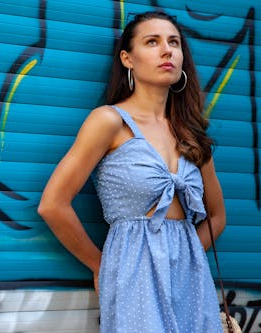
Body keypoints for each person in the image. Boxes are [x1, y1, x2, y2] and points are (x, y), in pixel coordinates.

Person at [38, 11, 226, 333]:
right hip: (131, 276)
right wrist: (102, 266)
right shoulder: (109, 122)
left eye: (174, 42)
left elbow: (217, 217)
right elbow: (52, 205)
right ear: (127, 58)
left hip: (192, 280)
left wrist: (184, 256)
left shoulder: (191, 132)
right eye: (152, 42)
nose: (167, 51)